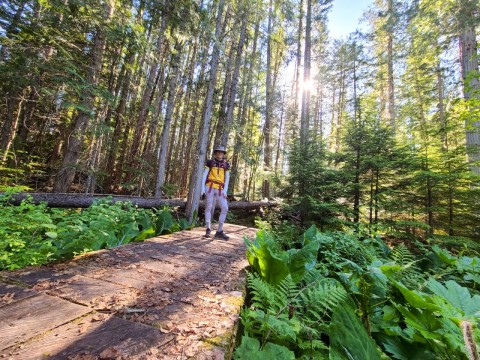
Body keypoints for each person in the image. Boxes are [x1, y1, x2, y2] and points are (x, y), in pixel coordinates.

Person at [202, 145, 230, 240]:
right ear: (215, 153)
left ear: (223, 154)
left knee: (225, 207)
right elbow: (205, 174)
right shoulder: (210, 162)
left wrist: (225, 190)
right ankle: (208, 228)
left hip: (220, 189)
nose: (220, 154)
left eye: (221, 152)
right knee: (208, 207)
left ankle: (219, 231)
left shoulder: (226, 164)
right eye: (218, 152)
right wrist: (202, 188)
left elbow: (227, 178)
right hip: (209, 187)